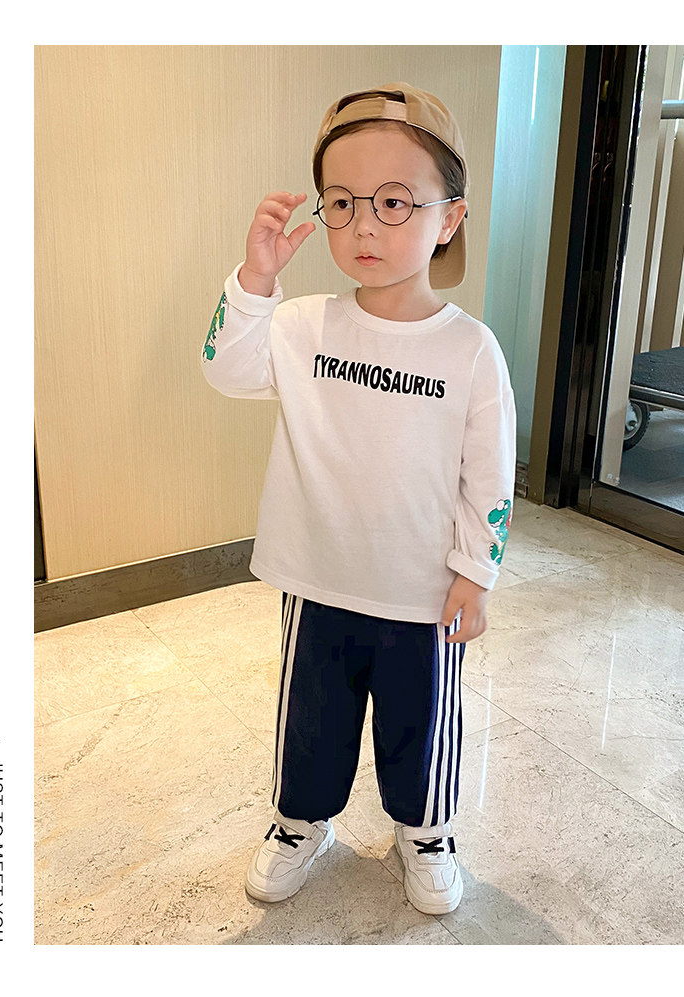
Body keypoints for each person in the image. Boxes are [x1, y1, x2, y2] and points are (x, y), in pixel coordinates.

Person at [201, 83, 516, 916]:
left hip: (422, 592)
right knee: (312, 718)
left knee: (422, 722)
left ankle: (427, 830)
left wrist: (475, 572)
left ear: (449, 217)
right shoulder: (302, 326)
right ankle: (300, 821)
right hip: (320, 580)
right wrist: (256, 278)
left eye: (394, 201)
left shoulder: (470, 350)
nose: (364, 225)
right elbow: (225, 367)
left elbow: (490, 474)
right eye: (341, 202)